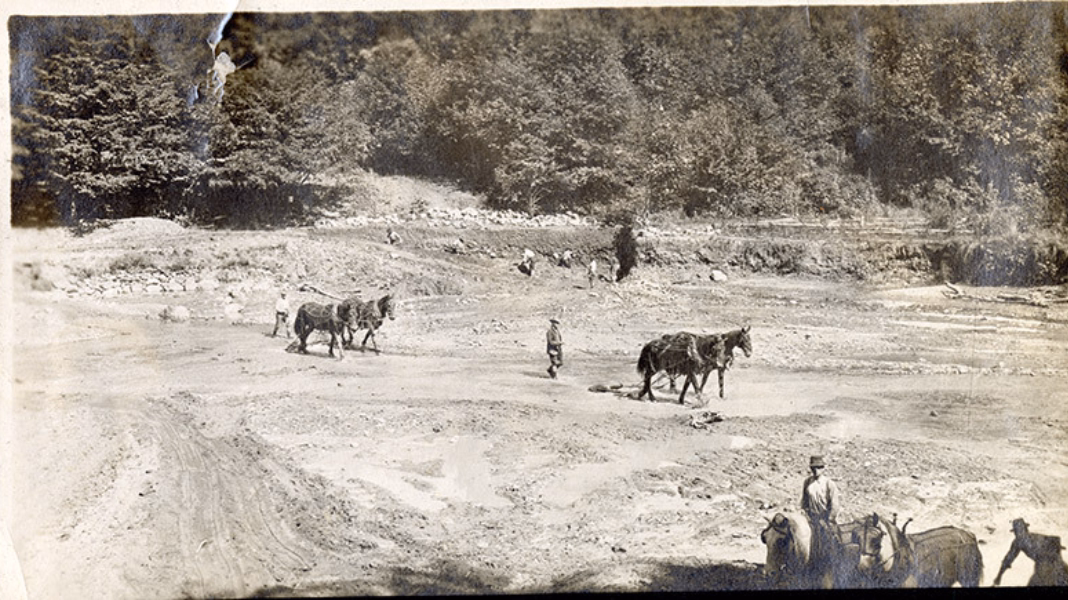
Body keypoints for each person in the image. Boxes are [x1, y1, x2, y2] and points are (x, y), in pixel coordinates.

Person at [994, 518, 1068, 586]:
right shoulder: (1027, 539)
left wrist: (999, 576)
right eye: (1017, 531)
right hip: (1053, 563)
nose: (1018, 533)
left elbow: (1008, 559)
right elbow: (1008, 559)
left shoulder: (1020, 541)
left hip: (1046, 565)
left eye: (1018, 531)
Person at [801, 455, 841, 573]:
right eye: (813, 468)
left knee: (829, 541)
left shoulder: (829, 484)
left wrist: (830, 519)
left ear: (823, 468)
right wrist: (804, 512)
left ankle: (830, 567)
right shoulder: (807, 482)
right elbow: (804, 500)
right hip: (811, 517)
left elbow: (835, 504)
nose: (816, 470)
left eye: (819, 467)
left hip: (825, 517)